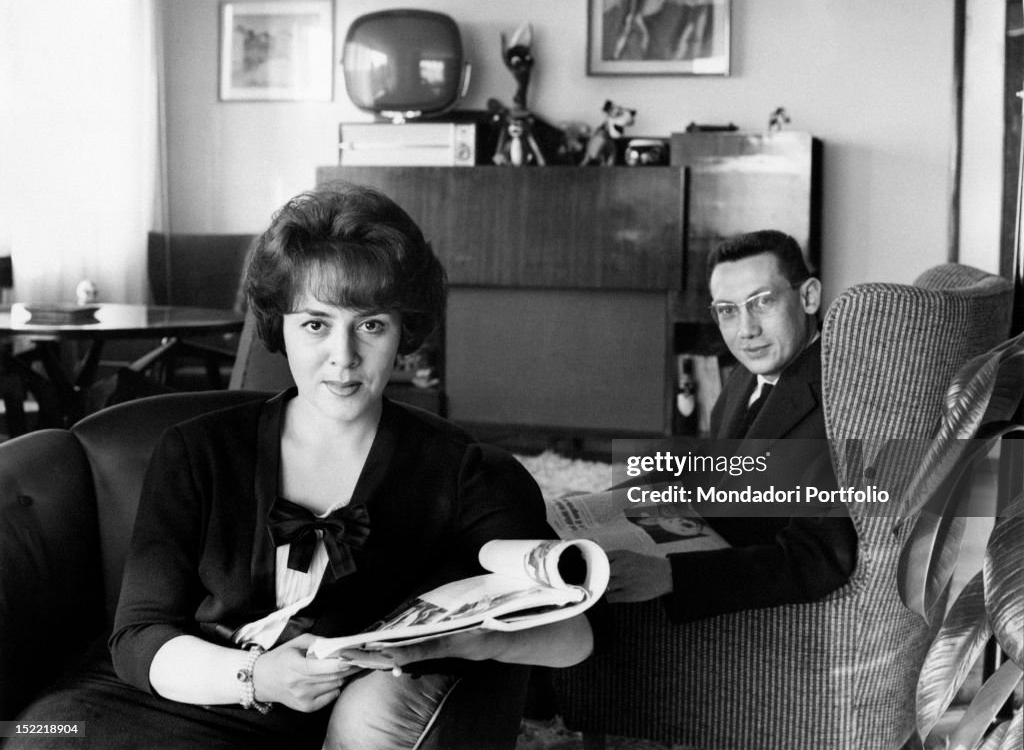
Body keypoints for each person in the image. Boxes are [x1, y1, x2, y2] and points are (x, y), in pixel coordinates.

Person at [13, 184, 595, 750]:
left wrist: (458, 643)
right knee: (38, 737)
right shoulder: (195, 451)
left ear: (403, 333)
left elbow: (572, 638)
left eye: (371, 324)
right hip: (162, 692)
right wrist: (256, 677)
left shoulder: (464, 469)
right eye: (315, 324)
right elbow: (138, 635)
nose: (343, 357)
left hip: (299, 726)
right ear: (280, 327)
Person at [606, 229, 857, 622]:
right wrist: (608, 503)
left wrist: (671, 576)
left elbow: (820, 557)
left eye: (762, 302)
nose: (746, 330)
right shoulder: (745, 376)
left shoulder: (843, 400)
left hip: (748, 596)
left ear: (808, 296)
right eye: (727, 310)